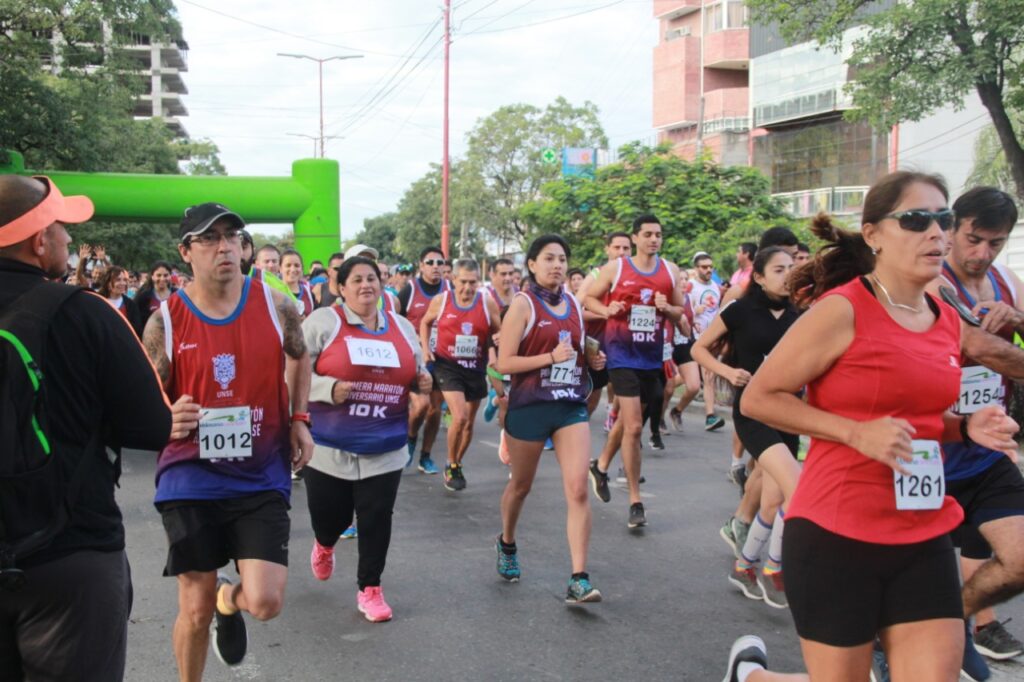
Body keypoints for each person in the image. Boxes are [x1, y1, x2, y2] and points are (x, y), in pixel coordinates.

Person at [737, 171, 1019, 680]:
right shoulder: (842, 310)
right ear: (873, 235)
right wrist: (854, 432)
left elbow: (923, 419)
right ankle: (754, 676)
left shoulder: (945, 317)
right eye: (915, 220)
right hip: (837, 534)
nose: (937, 232)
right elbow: (759, 399)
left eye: (943, 219)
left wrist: (966, 426)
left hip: (923, 530)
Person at [0, 174, 173, 682]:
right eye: (61, 229)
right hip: (70, 550)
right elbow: (152, 424)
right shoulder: (83, 312)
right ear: (37, 240)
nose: (70, 241)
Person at [142, 202, 315, 678]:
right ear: (185, 252)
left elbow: (300, 357)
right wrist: (163, 415)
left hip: (260, 471)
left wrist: (300, 417)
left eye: (232, 236)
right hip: (190, 475)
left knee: (265, 600)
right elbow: (143, 392)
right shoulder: (167, 321)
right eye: (209, 238)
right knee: (193, 609)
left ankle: (229, 597)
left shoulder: (278, 305)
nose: (224, 246)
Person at [302, 256, 432, 622]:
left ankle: (370, 588)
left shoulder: (402, 326)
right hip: (329, 447)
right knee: (332, 518)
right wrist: (327, 387)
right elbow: (291, 373)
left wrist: (420, 381)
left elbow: (414, 369)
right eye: (356, 279)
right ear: (341, 288)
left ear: (382, 283)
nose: (365, 285)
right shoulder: (324, 322)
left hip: (385, 444)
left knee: (376, 517)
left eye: (372, 278)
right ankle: (324, 543)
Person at [928, 186, 1024, 668]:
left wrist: (1018, 318)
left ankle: (955, 624)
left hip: (988, 450)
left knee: (1019, 559)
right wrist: (998, 338)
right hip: (930, 449)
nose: (983, 254)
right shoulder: (930, 279)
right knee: (910, 578)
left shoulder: (1006, 281)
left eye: (997, 243)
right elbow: (976, 346)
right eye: (974, 239)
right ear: (951, 229)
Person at [495, 234, 606, 603]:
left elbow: (576, 348)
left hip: (569, 405)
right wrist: (549, 359)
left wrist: (591, 358)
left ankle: (579, 577)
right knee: (521, 487)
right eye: (549, 259)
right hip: (529, 407)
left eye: (562, 259)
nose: (557, 265)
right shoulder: (522, 306)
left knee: (576, 488)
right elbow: (504, 363)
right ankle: (507, 542)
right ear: (531, 265)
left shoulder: (574, 303)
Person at [692, 247, 800, 610]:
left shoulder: (801, 316)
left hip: (789, 413)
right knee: (796, 485)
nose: (787, 274)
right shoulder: (740, 310)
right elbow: (699, 349)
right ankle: (774, 567)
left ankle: (743, 568)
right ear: (758, 276)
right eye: (779, 269)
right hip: (752, 411)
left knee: (773, 498)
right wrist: (728, 372)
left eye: (792, 267)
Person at [584, 214, 686, 529]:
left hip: (651, 358)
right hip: (620, 355)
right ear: (636, 238)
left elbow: (680, 312)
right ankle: (635, 501)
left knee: (631, 423)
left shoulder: (670, 271)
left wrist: (666, 308)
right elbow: (587, 298)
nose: (654, 239)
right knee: (634, 426)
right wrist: (605, 309)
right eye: (648, 234)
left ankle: (600, 467)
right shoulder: (617, 269)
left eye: (658, 234)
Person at [418, 259, 501, 491]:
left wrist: (497, 345)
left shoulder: (487, 303)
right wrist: (426, 349)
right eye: (463, 282)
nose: (467, 287)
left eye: (473, 282)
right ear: (453, 279)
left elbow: (499, 330)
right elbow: (425, 323)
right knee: (460, 416)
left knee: (468, 423)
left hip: (475, 367)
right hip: (447, 365)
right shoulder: (441, 301)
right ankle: (451, 463)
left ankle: (455, 462)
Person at [398, 246, 449, 474]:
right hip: (414, 357)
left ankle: (425, 456)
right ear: (421, 266)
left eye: (440, 262)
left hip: (442, 359)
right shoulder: (409, 290)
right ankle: (410, 437)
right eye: (430, 262)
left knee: (435, 410)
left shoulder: (450, 290)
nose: (435, 267)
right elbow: (395, 323)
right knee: (421, 406)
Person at [675, 251, 727, 433]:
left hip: (711, 337)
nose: (708, 270)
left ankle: (683, 410)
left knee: (701, 377)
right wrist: (695, 311)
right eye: (704, 267)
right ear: (696, 269)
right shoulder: (690, 287)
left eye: (711, 267)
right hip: (694, 339)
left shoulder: (715, 285)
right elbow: (682, 309)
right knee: (705, 376)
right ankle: (709, 415)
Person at [96, 264, 144, 337]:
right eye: (118, 280)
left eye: (124, 280)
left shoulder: (131, 305)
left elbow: (137, 330)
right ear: (108, 283)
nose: (123, 283)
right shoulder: (97, 302)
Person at [134, 260, 178, 326]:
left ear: (170, 276)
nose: (162, 279)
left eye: (165, 275)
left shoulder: (177, 295)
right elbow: (137, 321)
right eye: (158, 275)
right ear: (152, 276)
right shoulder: (143, 296)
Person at [280, 249, 315, 318]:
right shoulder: (273, 292)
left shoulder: (309, 293)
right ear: (280, 268)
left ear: (302, 268)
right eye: (288, 265)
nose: (293, 270)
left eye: (296, 265)